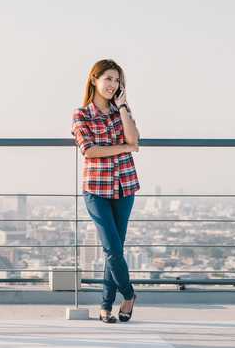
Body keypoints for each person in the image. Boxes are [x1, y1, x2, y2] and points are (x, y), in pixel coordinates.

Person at [71, 59, 140, 323]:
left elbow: (135, 140)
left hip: (125, 185)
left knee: (117, 249)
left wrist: (122, 107)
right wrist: (124, 148)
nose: (113, 85)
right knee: (111, 249)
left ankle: (105, 306)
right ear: (94, 80)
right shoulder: (81, 114)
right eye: (108, 79)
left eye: (117, 80)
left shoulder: (120, 110)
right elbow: (89, 150)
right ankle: (130, 295)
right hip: (96, 189)